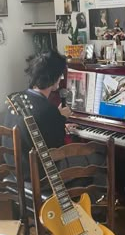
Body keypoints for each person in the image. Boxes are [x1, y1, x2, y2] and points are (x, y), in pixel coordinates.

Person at [3, 50, 106, 199]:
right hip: (40, 176)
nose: (62, 78)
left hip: (17, 169)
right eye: (60, 75)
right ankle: (94, 208)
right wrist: (60, 118)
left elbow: (35, 132)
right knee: (99, 156)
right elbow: (58, 150)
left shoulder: (15, 99)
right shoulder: (48, 110)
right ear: (53, 78)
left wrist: (58, 122)